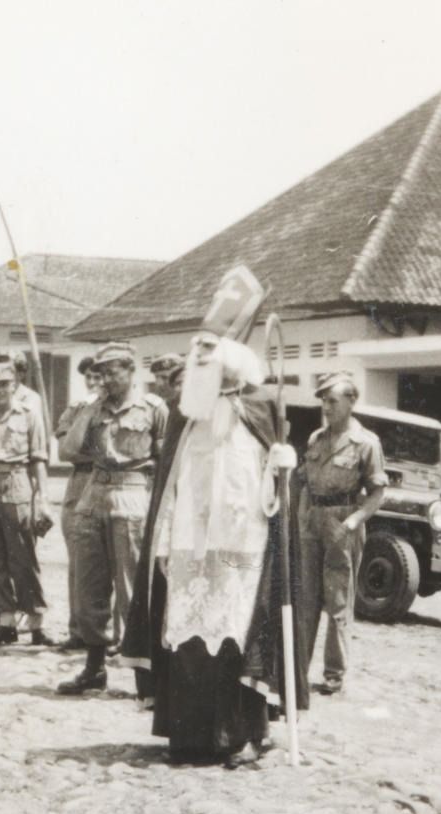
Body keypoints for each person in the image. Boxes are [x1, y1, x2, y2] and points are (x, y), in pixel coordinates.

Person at [121, 264, 309, 764]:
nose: (199, 366)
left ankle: (243, 736)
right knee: (188, 637)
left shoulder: (261, 410)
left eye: (210, 359)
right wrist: (164, 543)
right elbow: (169, 490)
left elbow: (273, 495)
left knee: (236, 637)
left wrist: (283, 468)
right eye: (197, 359)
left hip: (242, 549)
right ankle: (189, 739)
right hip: (188, 549)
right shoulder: (185, 419)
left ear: (234, 365)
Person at [57, 341, 167, 695]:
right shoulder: (92, 409)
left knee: (133, 590)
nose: (105, 379)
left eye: (113, 371)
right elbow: (68, 450)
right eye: (101, 372)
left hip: (132, 495)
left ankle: (146, 678)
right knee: (89, 586)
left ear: (131, 370)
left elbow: (165, 460)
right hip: (93, 494)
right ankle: (94, 668)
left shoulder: (153, 408)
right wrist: (90, 409)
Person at [296, 369, 387, 696]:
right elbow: (304, 484)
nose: (326, 407)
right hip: (313, 522)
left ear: (351, 401)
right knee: (305, 601)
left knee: (337, 603)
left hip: (342, 522)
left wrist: (352, 523)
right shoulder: (316, 439)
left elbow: (377, 493)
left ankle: (334, 675)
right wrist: (302, 518)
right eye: (323, 401)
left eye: (332, 401)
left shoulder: (366, 443)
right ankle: (297, 671)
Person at [0, 362, 54, 647]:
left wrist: (43, 500)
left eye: (5, 384)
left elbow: (39, 460)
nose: (0, 390)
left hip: (18, 483)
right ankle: (6, 624)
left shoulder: (28, 415)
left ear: (14, 385)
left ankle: (36, 624)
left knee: (23, 559)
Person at [53, 355, 103, 649]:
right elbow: (65, 451)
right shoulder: (75, 410)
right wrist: (103, 455)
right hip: (82, 482)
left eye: (99, 376)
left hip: (114, 483)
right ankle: (78, 630)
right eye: (89, 377)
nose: (94, 382)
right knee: (78, 562)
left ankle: (114, 635)